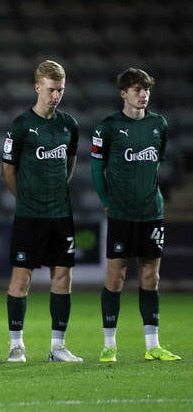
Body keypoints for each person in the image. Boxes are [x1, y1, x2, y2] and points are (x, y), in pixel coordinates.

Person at [91, 68, 180, 362]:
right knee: (116, 276)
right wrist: (106, 201)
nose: (143, 95)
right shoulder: (108, 128)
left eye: (146, 90)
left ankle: (153, 345)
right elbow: (96, 169)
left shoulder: (159, 124)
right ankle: (109, 345)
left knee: (150, 276)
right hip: (121, 214)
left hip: (152, 213)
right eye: (137, 90)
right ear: (123, 93)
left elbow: (157, 160)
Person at [2, 61, 82, 363]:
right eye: (51, 90)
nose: (55, 96)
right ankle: (16, 345)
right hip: (29, 215)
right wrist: (25, 199)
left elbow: (69, 164)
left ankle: (58, 346)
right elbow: (7, 170)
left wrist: (56, 191)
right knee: (21, 277)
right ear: (38, 87)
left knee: (62, 276)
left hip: (61, 214)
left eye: (60, 90)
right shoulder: (22, 124)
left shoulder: (69, 124)